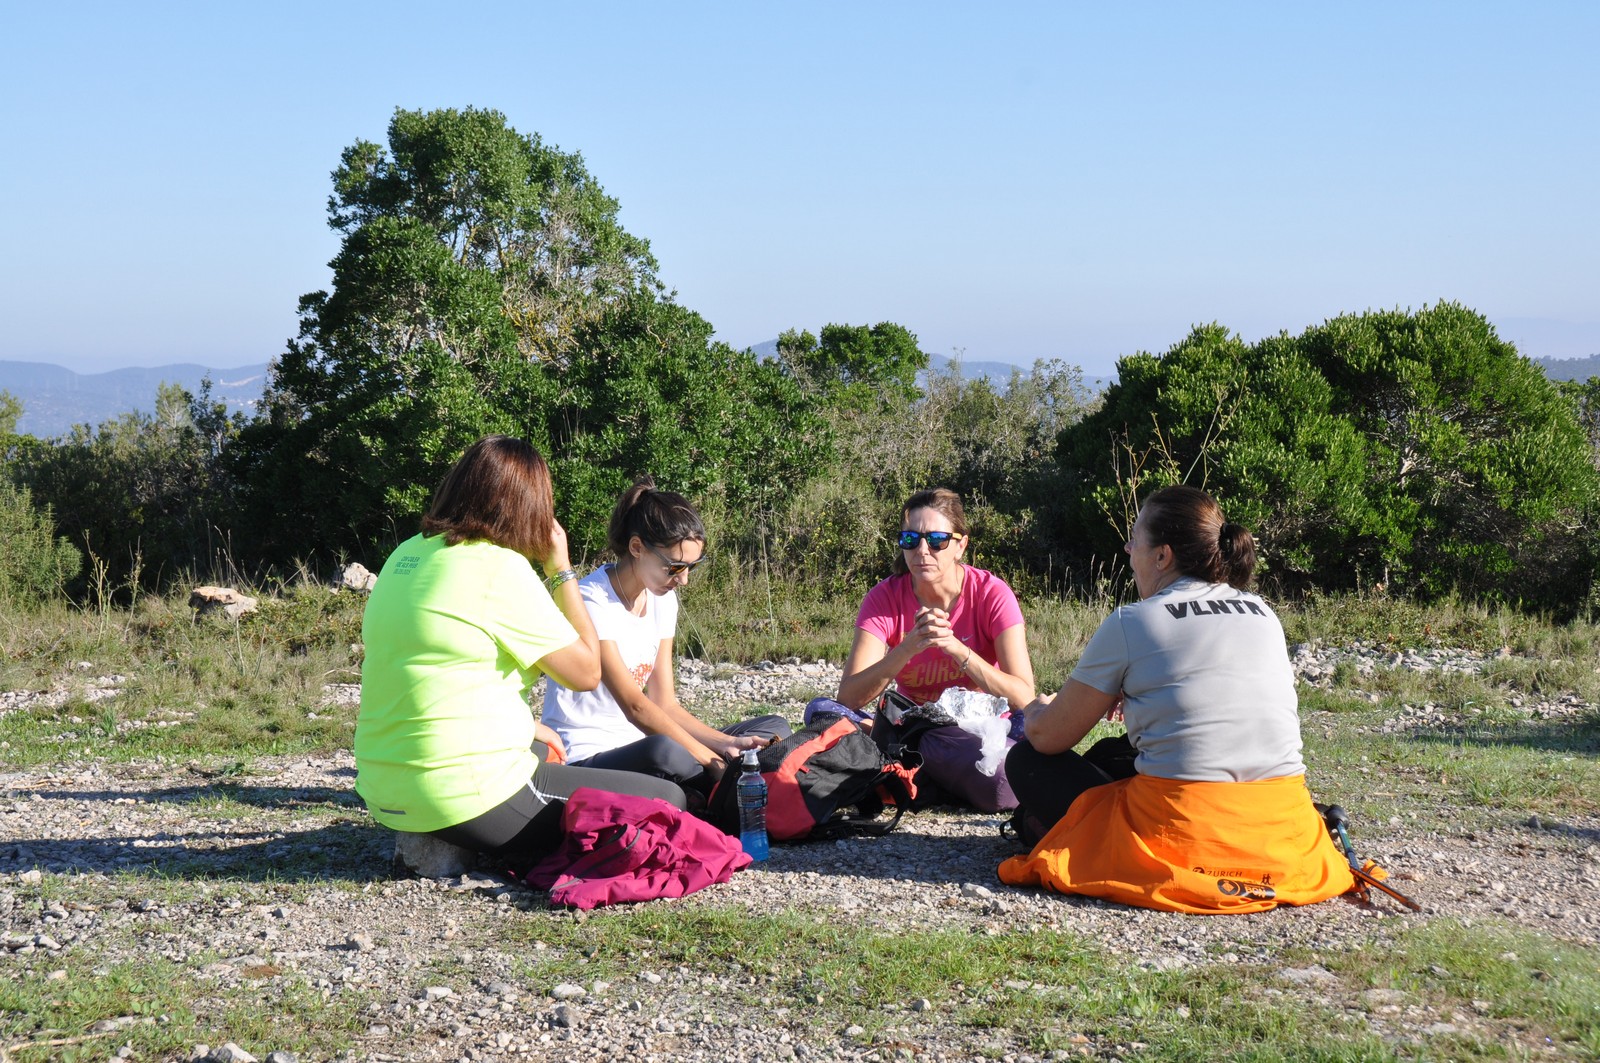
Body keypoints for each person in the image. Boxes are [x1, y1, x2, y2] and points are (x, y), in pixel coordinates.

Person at [998, 485, 1354, 913]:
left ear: (1163, 556)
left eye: (1134, 538)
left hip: (1187, 826)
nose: (1128, 549)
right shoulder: (1263, 612)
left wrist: (1035, 706)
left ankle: (1066, 832)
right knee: (1114, 752)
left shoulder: (1133, 621)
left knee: (1027, 760)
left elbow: (1048, 737)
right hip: (1282, 821)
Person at [354, 436, 687, 876]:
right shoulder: (498, 569)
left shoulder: (406, 553)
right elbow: (586, 672)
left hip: (382, 788)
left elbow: (432, 668)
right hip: (460, 796)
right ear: (528, 505)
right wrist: (561, 570)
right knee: (668, 800)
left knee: (542, 746)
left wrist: (525, 726)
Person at [542, 478, 790, 796]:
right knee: (666, 752)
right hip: (590, 754)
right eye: (674, 567)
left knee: (773, 727)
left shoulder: (662, 599)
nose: (683, 580)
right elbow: (636, 707)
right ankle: (722, 783)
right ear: (636, 548)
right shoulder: (591, 600)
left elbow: (665, 704)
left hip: (643, 743)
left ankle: (716, 784)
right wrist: (711, 759)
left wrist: (728, 743)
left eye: (691, 567)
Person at [835, 488, 1035, 810]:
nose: (922, 550)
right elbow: (848, 697)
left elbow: (1024, 697)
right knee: (823, 711)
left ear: (960, 545)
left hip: (978, 727)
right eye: (910, 540)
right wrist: (907, 648)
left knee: (1009, 774)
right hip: (916, 730)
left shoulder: (992, 595)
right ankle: (929, 772)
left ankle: (911, 774)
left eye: (937, 540)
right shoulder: (884, 598)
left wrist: (957, 649)